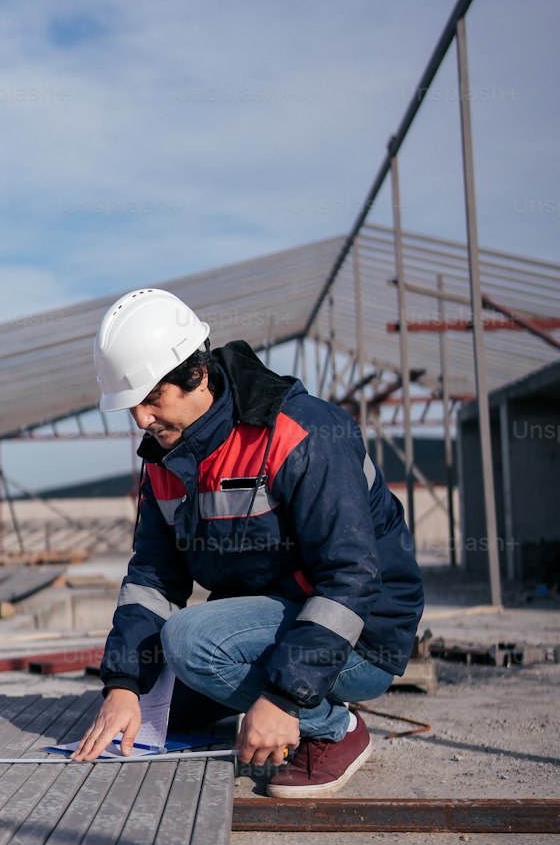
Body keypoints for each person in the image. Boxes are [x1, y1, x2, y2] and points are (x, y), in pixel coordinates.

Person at [71, 288, 425, 796]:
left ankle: (335, 730)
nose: (142, 421)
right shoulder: (167, 461)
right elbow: (152, 577)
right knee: (170, 699)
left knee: (190, 643)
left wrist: (283, 699)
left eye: (152, 399)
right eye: (131, 406)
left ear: (196, 374)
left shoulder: (301, 435)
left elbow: (351, 579)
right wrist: (124, 685)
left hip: (363, 633)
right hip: (275, 615)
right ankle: (282, 697)